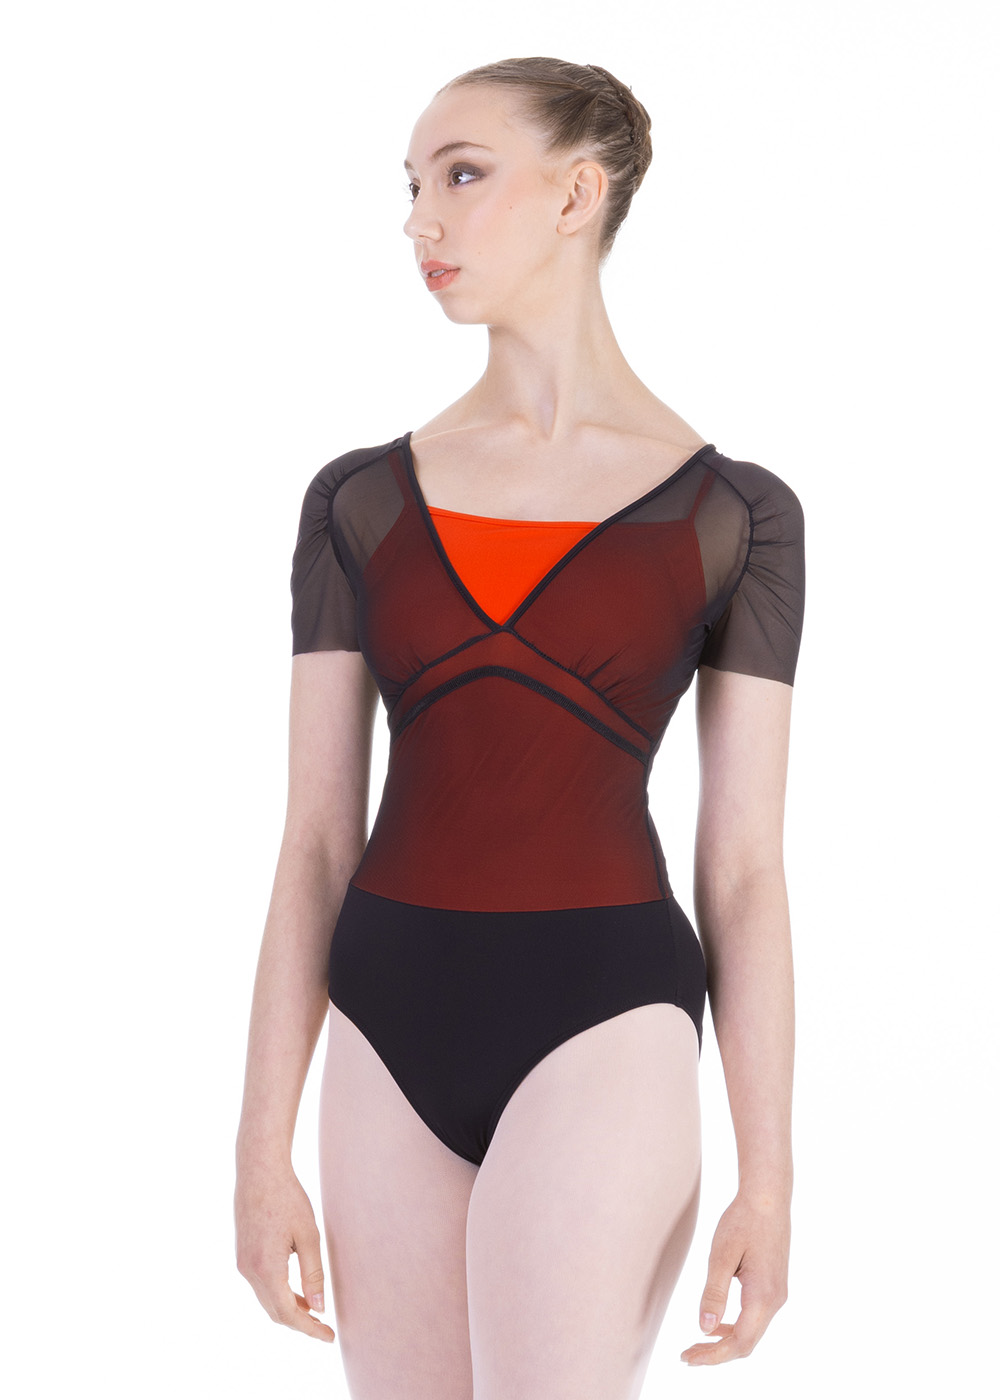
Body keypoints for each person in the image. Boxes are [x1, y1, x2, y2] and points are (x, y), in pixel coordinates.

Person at [234, 54, 805, 1397]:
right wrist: (261, 1151)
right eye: (410, 188)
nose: (419, 221)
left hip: (604, 1017)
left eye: (462, 175)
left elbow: (744, 868)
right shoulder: (357, 502)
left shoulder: (735, 516)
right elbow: (314, 841)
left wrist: (769, 1179)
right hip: (383, 1021)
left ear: (577, 194)